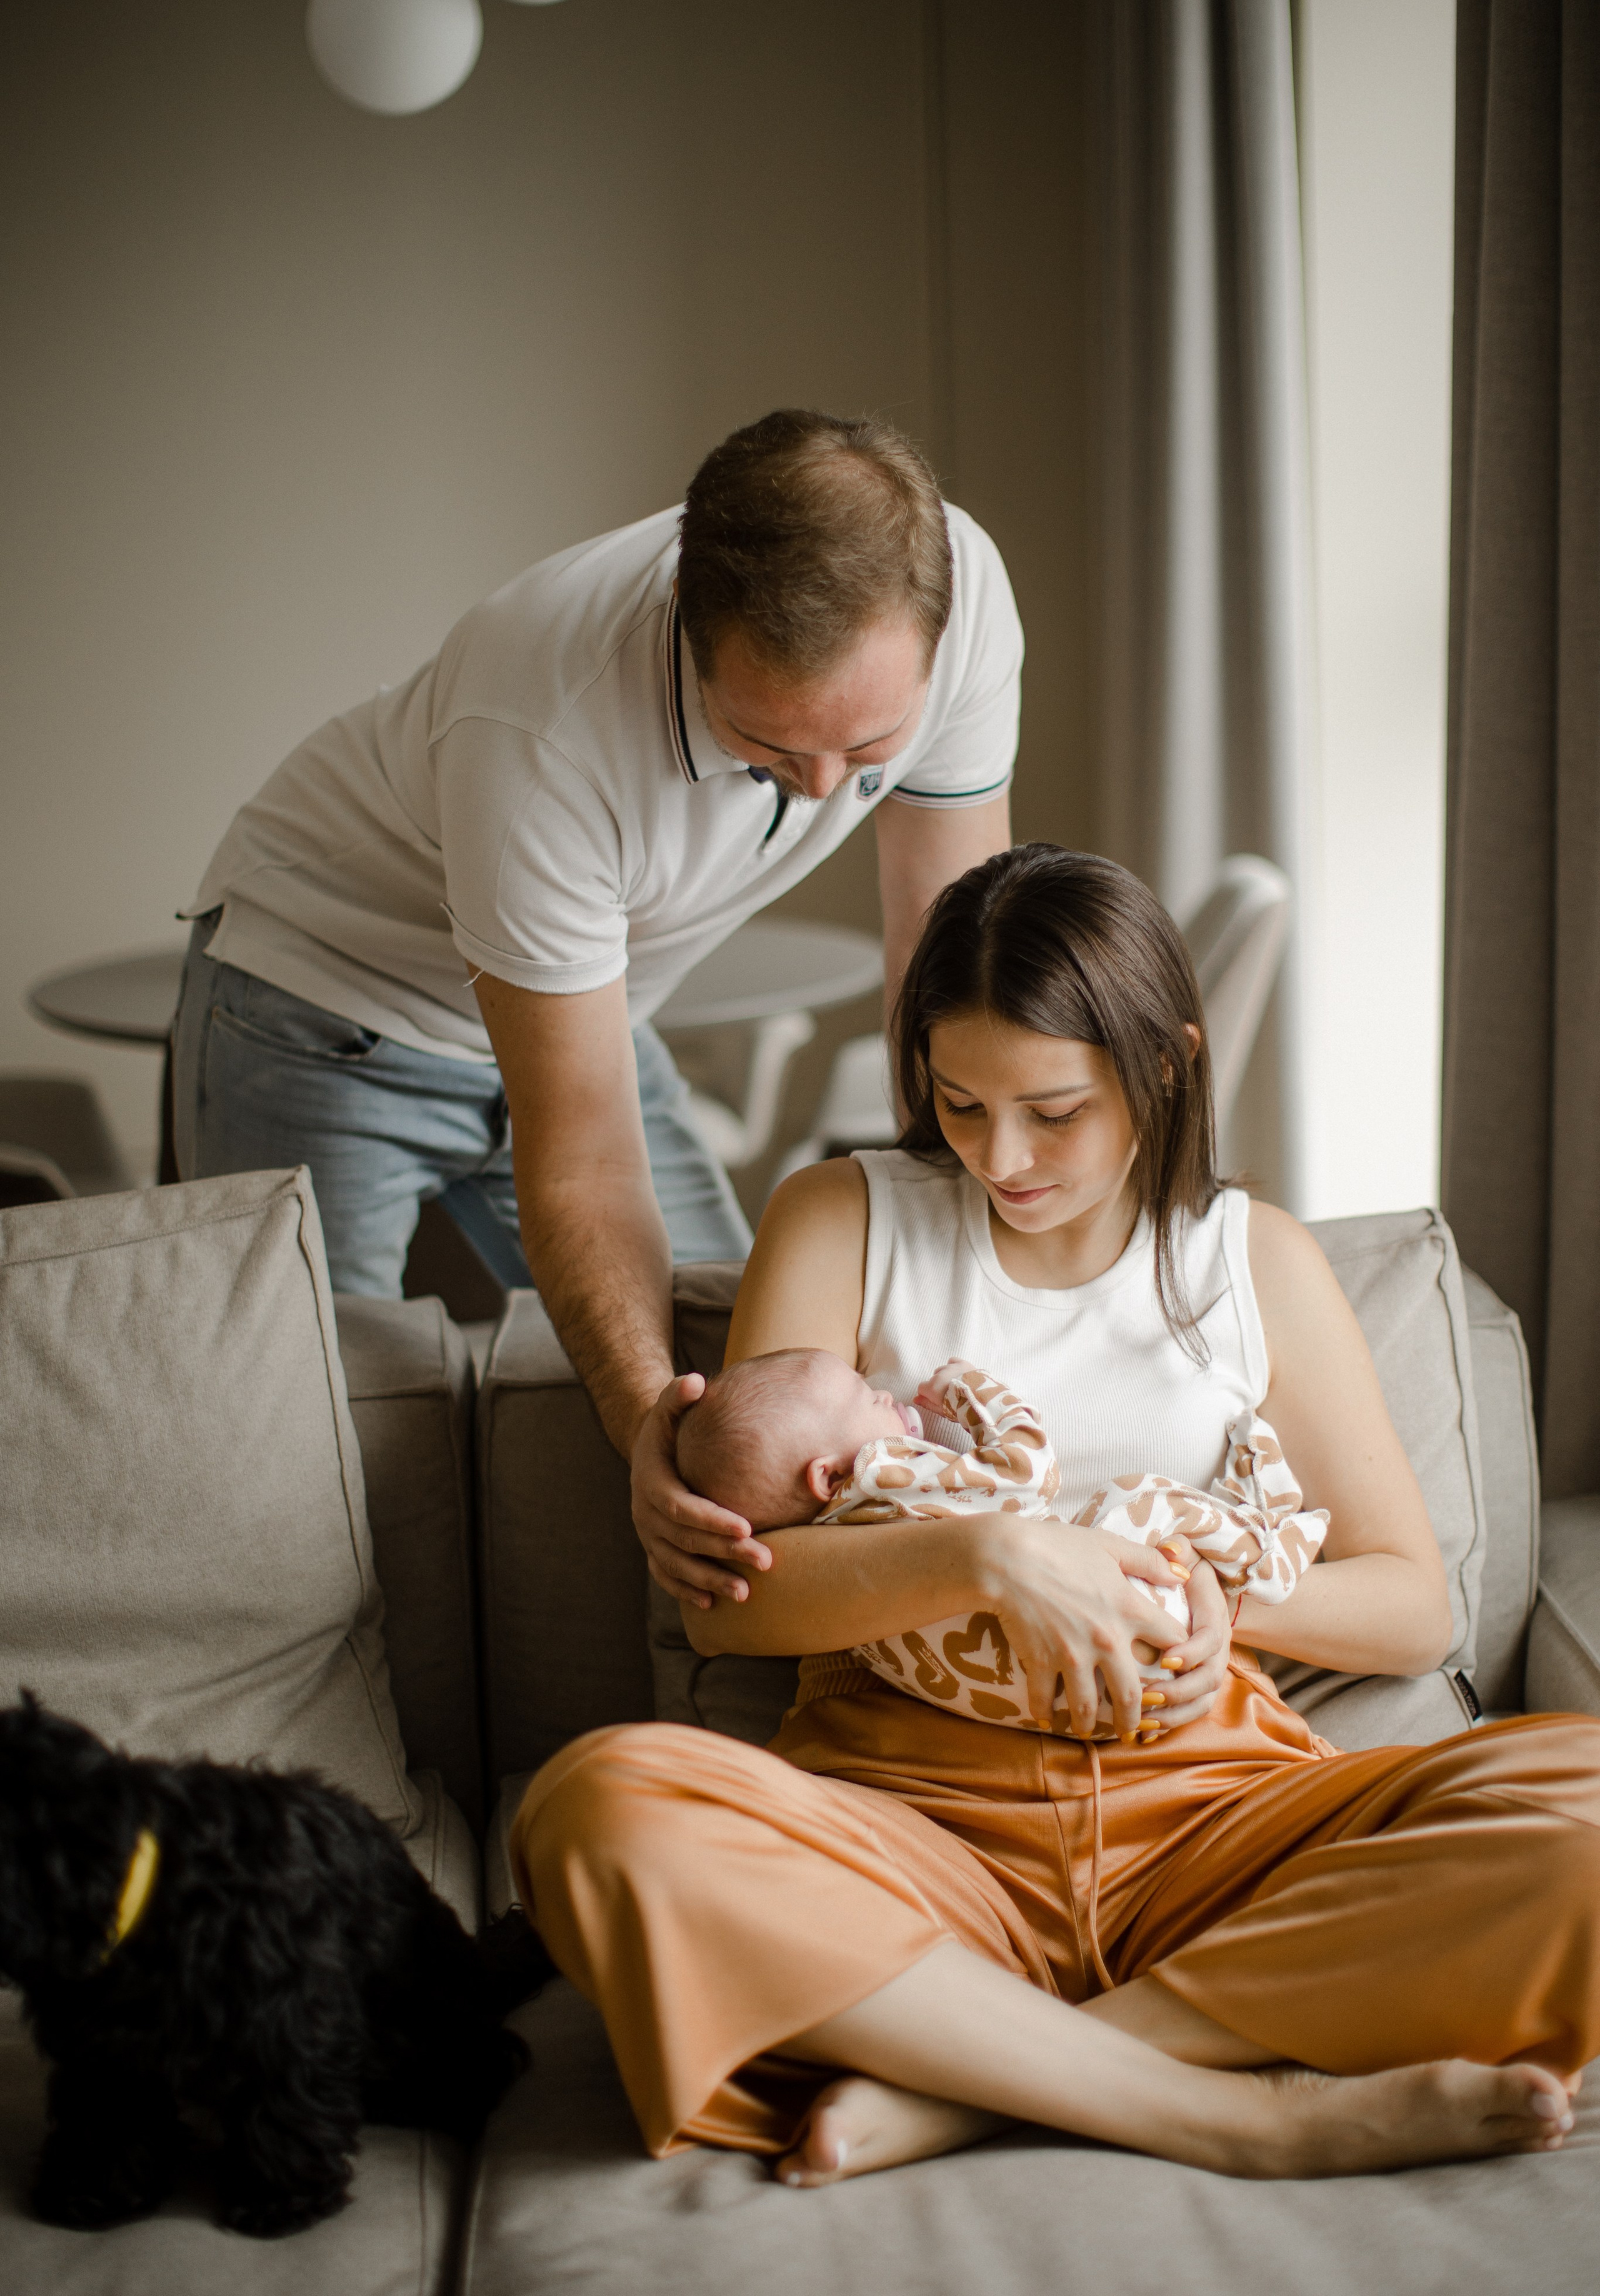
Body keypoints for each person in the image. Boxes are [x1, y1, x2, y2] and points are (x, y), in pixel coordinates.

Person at [509, 845, 1600, 2185]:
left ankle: (970, 2080)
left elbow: (1409, 1603)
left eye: (1050, 1111)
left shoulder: (1250, 1261)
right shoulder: (843, 1219)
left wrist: (1216, 1600)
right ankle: (1234, 2114)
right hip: (912, 1821)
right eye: (959, 1106)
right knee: (595, 1810)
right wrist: (992, 1555)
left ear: (1163, 1065)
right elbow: (733, 1606)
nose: (1000, 1159)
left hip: (1215, 1817)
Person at [171, 411, 1018, 1536]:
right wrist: (647, 1441)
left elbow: (947, 978)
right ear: (688, 622)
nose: (821, 790)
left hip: (587, 1013)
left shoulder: (961, 602)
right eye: (767, 746)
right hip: (324, 1005)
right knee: (304, 1456)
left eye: (868, 754)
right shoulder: (542, 725)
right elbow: (581, 1164)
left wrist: (966, 1278)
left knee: (748, 1382)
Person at [678, 1348, 1326, 1732]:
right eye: (862, 1396)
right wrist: (966, 1389)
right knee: (1136, 1497)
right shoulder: (881, 1479)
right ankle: (1266, 1554)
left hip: (1067, 1703)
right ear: (826, 1475)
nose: (882, 1393)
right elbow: (1028, 1478)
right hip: (1129, 1654)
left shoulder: (838, 1559)